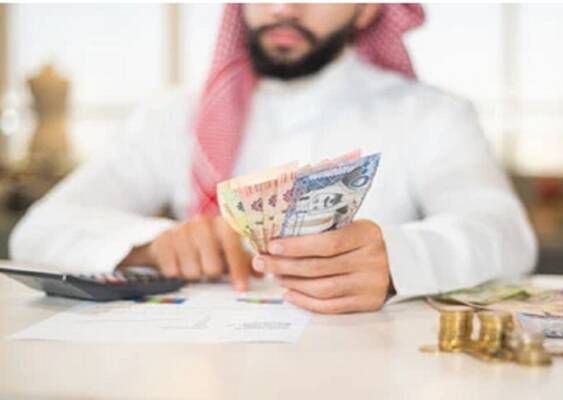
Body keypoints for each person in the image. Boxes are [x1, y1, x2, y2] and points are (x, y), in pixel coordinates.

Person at [9, 4, 536, 314]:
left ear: (369, 8)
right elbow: (39, 229)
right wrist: (151, 244)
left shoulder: (432, 115)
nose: (284, 6)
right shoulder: (173, 115)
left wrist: (397, 260)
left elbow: (506, 234)